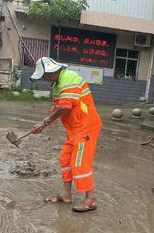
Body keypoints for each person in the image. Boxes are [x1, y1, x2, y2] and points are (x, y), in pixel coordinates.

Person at [30, 57, 102, 213]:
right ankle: (66, 194)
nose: (43, 79)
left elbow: (65, 106)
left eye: (44, 76)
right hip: (74, 129)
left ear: (50, 73)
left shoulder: (68, 77)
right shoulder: (57, 84)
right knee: (65, 158)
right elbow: (58, 106)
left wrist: (44, 123)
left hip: (86, 127)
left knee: (79, 162)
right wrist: (46, 119)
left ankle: (91, 199)